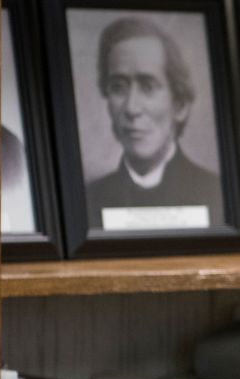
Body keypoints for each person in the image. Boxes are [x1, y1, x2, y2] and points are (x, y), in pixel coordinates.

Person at [85, 17, 223, 227]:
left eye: (148, 86)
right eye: (118, 87)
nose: (131, 108)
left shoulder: (215, 192)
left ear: (180, 105)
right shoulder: (89, 199)